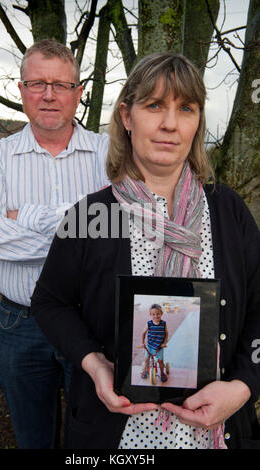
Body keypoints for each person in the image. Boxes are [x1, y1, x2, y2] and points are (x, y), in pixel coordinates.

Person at [31, 52, 260, 449]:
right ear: (126, 116)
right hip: (120, 436)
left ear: (197, 121)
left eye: (185, 108)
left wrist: (242, 387)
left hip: (215, 431)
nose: (170, 124)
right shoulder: (93, 214)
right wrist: (94, 363)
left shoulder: (227, 212)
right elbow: (50, 303)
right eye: (154, 105)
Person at [0, 39, 109, 449]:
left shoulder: (111, 154)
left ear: (78, 93)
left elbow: (119, 229)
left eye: (61, 85)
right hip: (20, 324)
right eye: (38, 83)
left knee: (93, 439)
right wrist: (79, 227)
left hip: (91, 322)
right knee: (33, 439)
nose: (49, 95)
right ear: (21, 89)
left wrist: (21, 215)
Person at [141, 304, 168, 382]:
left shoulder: (163, 324)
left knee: (160, 361)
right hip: (149, 346)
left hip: (159, 347)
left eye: (158, 314)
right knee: (146, 360)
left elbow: (166, 333)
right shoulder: (149, 323)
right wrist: (142, 343)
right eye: (153, 314)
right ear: (150, 315)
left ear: (161, 313)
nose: (156, 316)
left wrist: (165, 342)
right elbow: (143, 333)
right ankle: (145, 371)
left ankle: (162, 373)